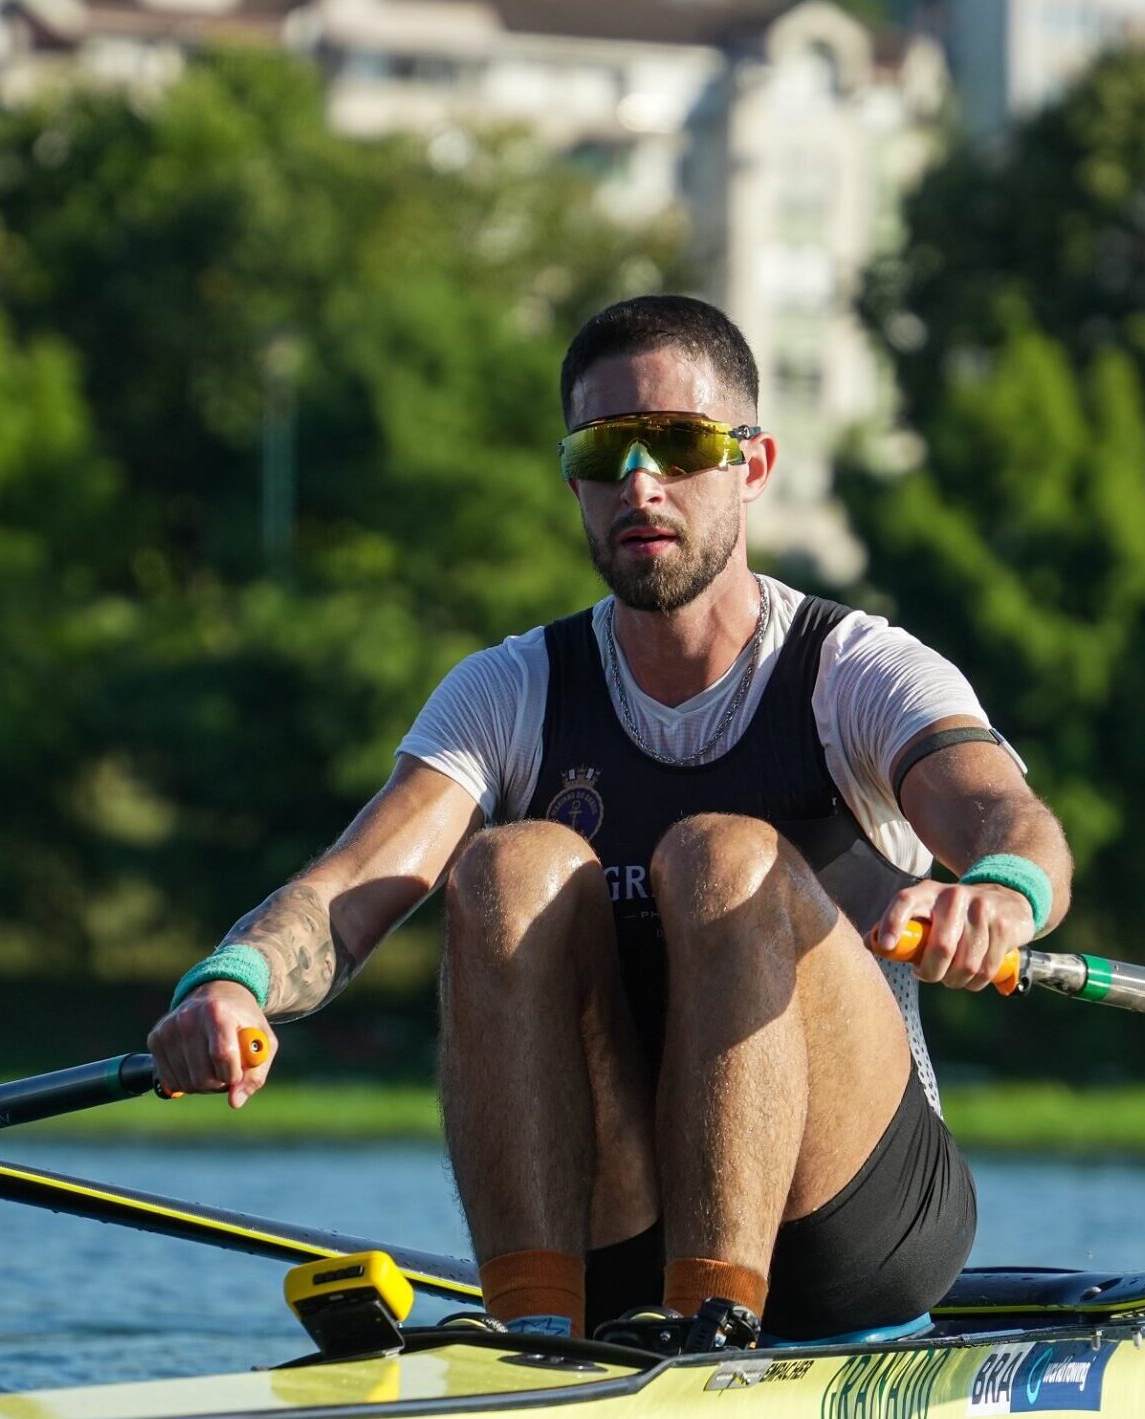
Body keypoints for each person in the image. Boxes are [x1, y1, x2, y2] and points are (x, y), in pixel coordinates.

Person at [149, 295, 1072, 1347]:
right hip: (619, 1222)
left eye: (679, 445)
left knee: (721, 857)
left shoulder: (856, 671)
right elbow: (346, 893)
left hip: (850, 1227)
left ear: (752, 467)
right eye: (603, 449)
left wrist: (1003, 889)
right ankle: (539, 1335)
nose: (640, 481)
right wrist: (234, 980)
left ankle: (716, 1319)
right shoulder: (508, 690)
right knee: (506, 866)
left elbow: (1007, 813)